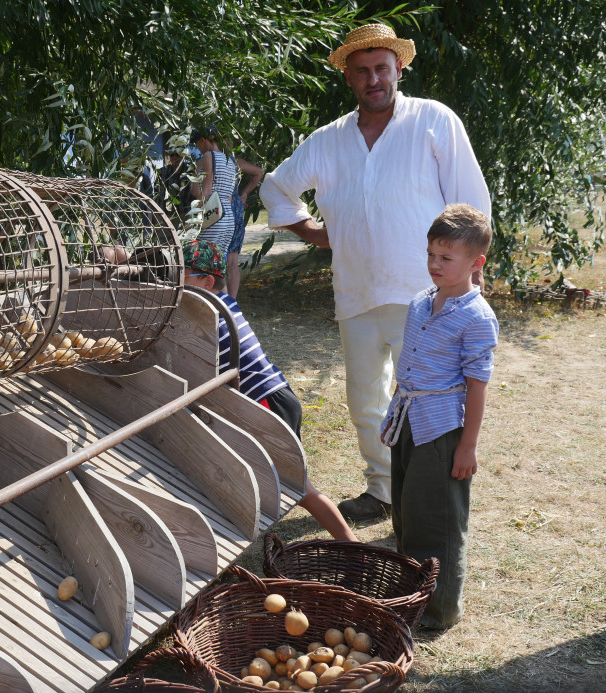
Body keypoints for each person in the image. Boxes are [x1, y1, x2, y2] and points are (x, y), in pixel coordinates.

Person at [258, 23, 491, 524]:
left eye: (381, 68)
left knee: (430, 398)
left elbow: (470, 200)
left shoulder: (433, 119)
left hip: (429, 294)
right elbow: (276, 190)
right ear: (348, 78)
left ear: (398, 69)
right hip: (358, 290)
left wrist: (469, 277)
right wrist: (320, 233)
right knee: (366, 400)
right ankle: (383, 490)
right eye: (361, 71)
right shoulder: (327, 141)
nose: (373, 79)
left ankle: (427, 493)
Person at [183, 240, 357, 542]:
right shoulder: (225, 302)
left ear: (207, 281)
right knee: (276, 480)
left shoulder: (212, 313)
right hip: (275, 396)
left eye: (181, 276)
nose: (174, 285)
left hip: (266, 403)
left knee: (299, 488)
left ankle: (351, 545)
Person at [380, 204, 498, 629]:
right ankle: (410, 592)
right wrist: (394, 418)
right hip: (411, 421)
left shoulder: (477, 317)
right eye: (431, 254)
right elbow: (408, 368)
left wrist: (467, 446)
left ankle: (439, 608)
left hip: (442, 429)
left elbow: (476, 386)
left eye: (446, 258)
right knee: (407, 512)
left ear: (475, 262)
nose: (434, 264)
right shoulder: (419, 302)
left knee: (438, 521)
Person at [189, 126, 238, 258]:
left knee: (204, 261)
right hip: (228, 218)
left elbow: (207, 190)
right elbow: (230, 197)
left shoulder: (209, 155)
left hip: (214, 215)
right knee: (219, 263)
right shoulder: (230, 160)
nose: (197, 147)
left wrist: (193, 218)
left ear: (203, 140)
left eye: (196, 143)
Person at [225, 156, 264, 298]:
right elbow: (258, 172)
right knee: (232, 260)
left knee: (217, 258)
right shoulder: (233, 160)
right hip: (235, 207)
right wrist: (244, 193)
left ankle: (221, 302)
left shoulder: (207, 158)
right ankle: (231, 302)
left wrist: (245, 193)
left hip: (218, 207)